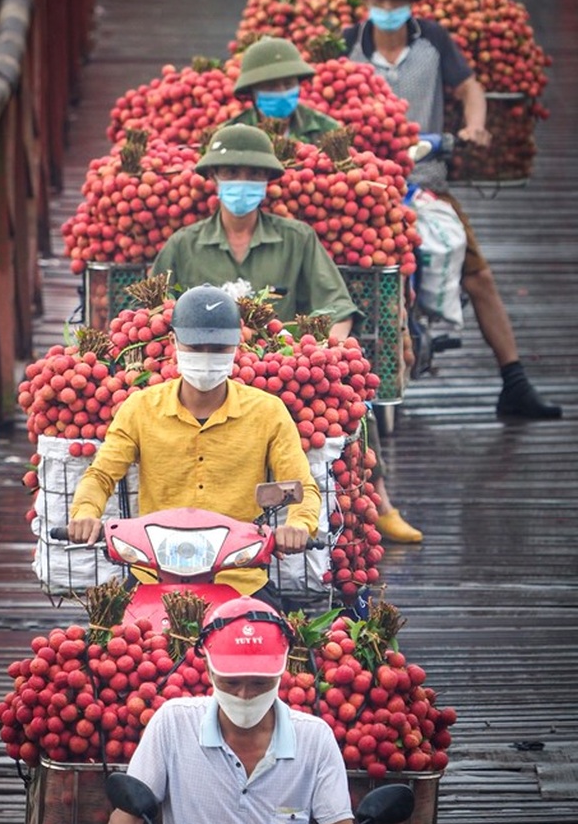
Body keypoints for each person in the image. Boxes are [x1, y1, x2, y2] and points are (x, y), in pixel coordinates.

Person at [151, 122, 424, 543]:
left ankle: (380, 503)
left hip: (283, 370)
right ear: (213, 179)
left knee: (350, 401)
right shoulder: (183, 246)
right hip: (202, 368)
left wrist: (320, 356)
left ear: (267, 182)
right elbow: (152, 319)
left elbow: (338, 310)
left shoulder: (297, 240)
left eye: (253, 175)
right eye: (232, 174)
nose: (242, 184)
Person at [95, 595, 398, 824]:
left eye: (259, 682)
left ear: (281, 672)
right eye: (232, 681)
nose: (244, 694)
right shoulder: (172, 724)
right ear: (208, 670)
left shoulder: (314, 738)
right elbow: (128, 815)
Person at [344, 0, 562, 421]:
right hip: (358, 188)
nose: (386, 4)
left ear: (411, 3)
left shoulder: (434, 41)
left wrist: (475, 126)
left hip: (425, 182)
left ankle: (515, 380)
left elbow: (469, 90)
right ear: (365, 0)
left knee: (478, 275)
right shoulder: (348, 46)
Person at [68, 284, 320, 601]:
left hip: (239, 577)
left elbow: (302, 486)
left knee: (277, 644)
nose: (206, 357)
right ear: (173, 342)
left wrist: (298, 524)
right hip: (153, 575)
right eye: (196, 347)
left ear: (236, 347)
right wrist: (85, 514)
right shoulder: (140, 408)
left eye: (217, 349)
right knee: (111, 646)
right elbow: (101, 476)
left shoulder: (267, 411)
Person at [223, 34, 340, 144]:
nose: (282, 92)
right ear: (252, 92)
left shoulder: (326, 129)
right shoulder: (229, 135)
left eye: (288, 84)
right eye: (270, 86)